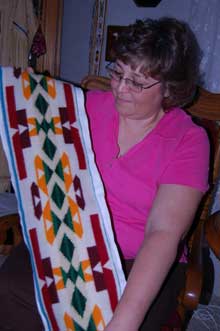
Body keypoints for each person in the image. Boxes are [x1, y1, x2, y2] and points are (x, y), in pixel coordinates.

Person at [0, 17, 209, 331]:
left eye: (138, 82)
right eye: (118, 72)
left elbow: (162, 232)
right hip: (65, 238)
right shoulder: (82, 107)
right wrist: (21, 93)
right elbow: (27, 111)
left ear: (169, 87)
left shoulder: (188, 140)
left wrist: (123, 322)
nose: (121, 88)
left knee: (107, 319)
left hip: (138, 263)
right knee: (10, 291)